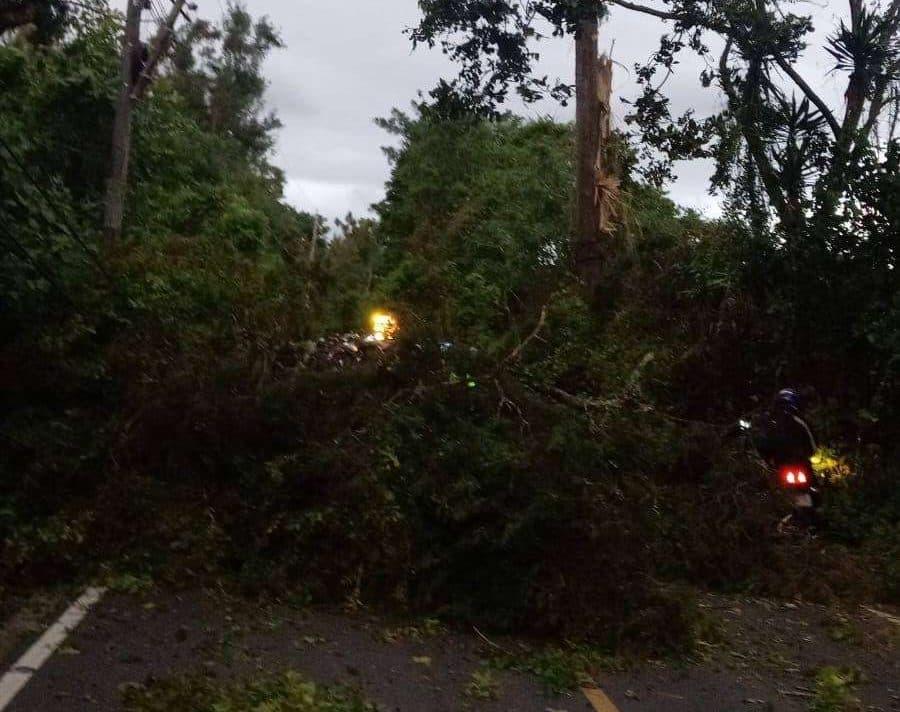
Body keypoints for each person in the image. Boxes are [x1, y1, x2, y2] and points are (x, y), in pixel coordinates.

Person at [755, 388, 817, 468]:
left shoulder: (771, 421)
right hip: (799, 461)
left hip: (781, 463)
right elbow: (811, 440)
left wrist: (767, 460)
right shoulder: (798, 419)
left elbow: (762, 442)